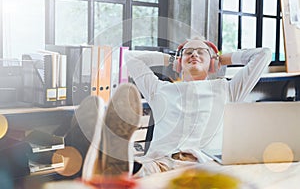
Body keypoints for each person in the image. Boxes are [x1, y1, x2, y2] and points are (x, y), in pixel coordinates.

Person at [77, 36, 271, 181]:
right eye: (187, 52)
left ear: (212, 62)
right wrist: (170, 60)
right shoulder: (160, 89)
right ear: (179, 61)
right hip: (159, 162)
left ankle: (107, 161)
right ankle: (118, 161)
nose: (193, 54)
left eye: (200, 52)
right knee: (136, 174)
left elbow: (263, 55)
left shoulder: (228, 88)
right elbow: (131, 58)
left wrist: (222, 58)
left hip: (204, 164)